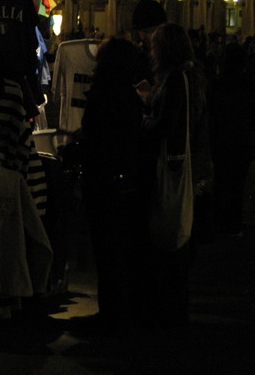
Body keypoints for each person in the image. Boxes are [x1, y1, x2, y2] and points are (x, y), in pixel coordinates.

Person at [140, 22, 211, 327]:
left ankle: (167, 311)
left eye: (155, 45)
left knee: (168, 238)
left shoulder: (175, 79)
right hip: (187, 164)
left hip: (172, 165)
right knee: (180, 238)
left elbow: (165, 124)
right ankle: (172, 308)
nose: (151, 50)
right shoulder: (189, 76)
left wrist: (142, 116)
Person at [79, 36, 148, 330]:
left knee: (107, 249)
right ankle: (120, 311)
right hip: (123, 180)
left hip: (102, 181)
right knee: (120, 250)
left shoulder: (102, 94)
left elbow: (96, 139)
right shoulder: (129, 96)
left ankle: (111, 315)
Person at [209, 43, 255, 236]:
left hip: (221, 139)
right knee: (237, 185)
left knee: (221, 181)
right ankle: (233, 224)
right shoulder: (250, 87)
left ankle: (218, 222)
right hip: (243, 140)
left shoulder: (216, 85)